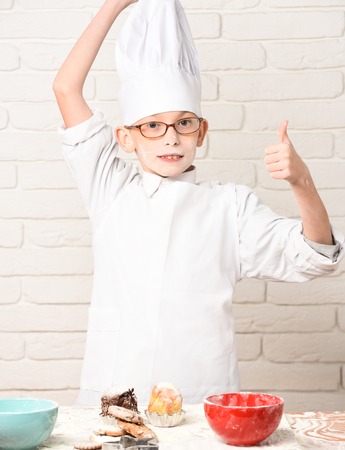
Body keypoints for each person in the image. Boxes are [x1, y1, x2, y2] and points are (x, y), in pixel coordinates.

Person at [53, 0, 344, 406]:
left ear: (201, 131)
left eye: (183, 123)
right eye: (152, 126)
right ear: (125, 137)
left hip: (201, 397)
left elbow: (313, 254)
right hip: (116, 390)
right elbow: (66, 88)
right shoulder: (111, 191)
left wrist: (302, 182)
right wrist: (114, 5)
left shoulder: (231, 207)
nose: (171, 138)